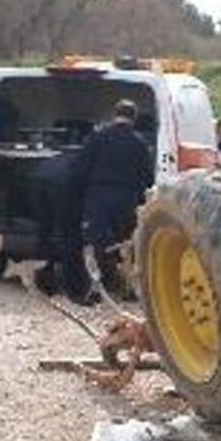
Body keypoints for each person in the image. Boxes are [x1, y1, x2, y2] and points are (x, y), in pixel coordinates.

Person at [62, 99, 154, 304]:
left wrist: (77, 197)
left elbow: (80, 169)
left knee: (94, 244)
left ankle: (94, 289)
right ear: (134, 118)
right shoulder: (139, 143)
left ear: (115, 114)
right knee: (126, 246)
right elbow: (147, 178)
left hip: (99, 198)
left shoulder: (98, 137)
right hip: (127, 201)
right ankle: (128, 289)